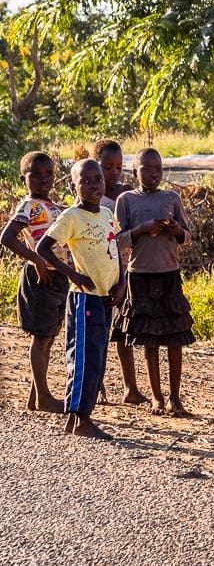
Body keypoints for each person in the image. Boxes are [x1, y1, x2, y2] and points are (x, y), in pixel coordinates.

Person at [36, 159, 123, 439]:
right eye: (85, 181)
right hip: (85, 298)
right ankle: (79, 418)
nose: (94, 185)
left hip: (106, 297)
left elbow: (115, 249)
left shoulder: (107, 213)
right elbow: (43, 248)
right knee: (84, 358)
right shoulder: (72, 216)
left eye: (98, 179)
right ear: (74, 187)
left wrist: (121, 283)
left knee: (98, 358)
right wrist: (72, 274)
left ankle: (78, 418)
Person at [115, 148, 194, 417]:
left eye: (158, 169)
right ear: (134, 171)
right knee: (150, 341)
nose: (153, 174)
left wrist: (175, 229)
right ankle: (157, 397)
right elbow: (118, 240)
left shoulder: (172, 198)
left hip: (169, 273)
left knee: (174, 338)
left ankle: (175, 397)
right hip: (140, 276)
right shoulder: (126, 200)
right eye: (146, 169)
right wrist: (141, 229)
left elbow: (187, 237)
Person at [1, 152, 69, 414]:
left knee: (48, 336)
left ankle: (36, 396)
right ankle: (43, 397)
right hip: (41, 277)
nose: (44, 179)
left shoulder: (53, 207)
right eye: (36, 175)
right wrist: (37, 260)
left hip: (57, 276)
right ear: (23, 179)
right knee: (41, 338)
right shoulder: (29, 206)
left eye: (48, 174)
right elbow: (7, 237)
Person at [94, 138, 145, 407]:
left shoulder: (127, 195)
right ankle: (95, 384)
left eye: (118, 167)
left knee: (123, 329)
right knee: (98, 330)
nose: (114, 172)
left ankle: (130, 388)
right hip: (99, 271)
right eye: (107, 167)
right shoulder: (92, 197)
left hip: (126, 270)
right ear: (96, 166)